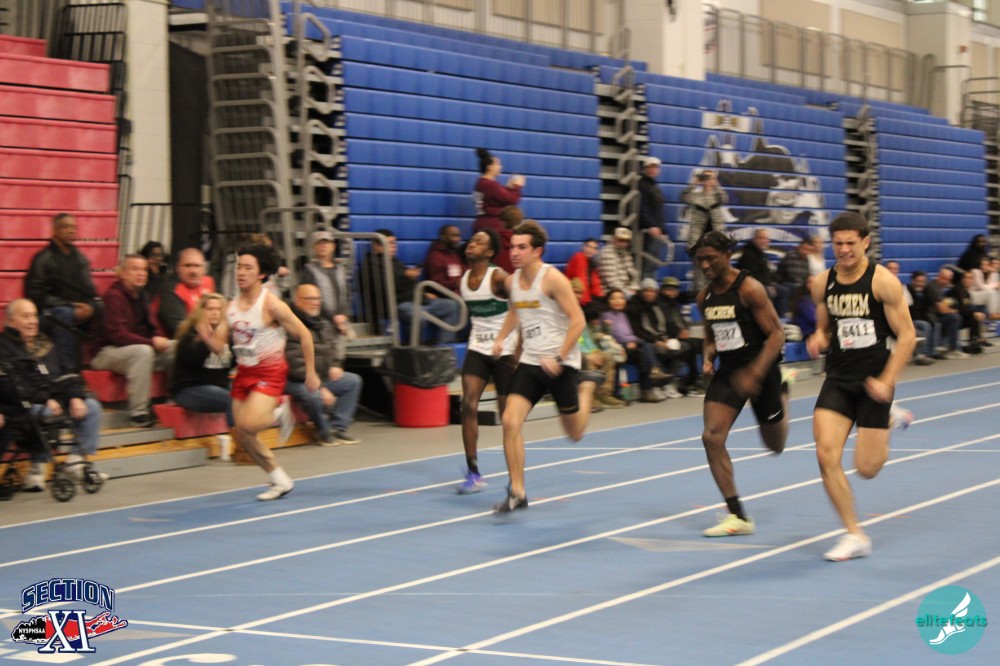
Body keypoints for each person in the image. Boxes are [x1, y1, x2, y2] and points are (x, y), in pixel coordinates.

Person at [806, 212, 916, 562]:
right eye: (838, 243)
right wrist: (818, 337)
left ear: (865, 242)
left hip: (873, 383)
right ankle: (854, 534)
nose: (844, 250)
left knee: (867, 469)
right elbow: (825, 327)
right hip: (838, 379)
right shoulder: (821, 283)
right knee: (825, 455)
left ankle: (888, 419)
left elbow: (908, 336)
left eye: (851, 243)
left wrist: (887, 380)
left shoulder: (883, 282)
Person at [489, 220, 602, 513]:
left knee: (575, 434)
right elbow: (515, 311)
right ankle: (517, 491)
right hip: (531, 362)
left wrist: (560, 357)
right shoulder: (513, 282)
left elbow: (578, 321)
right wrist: (501, 339)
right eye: (512, 247)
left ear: (537, 251)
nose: (514, 252)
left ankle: (588, 386)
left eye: (521, 247)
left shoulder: (553, 279)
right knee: (510, 421)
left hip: (561, 364)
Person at [694, 231, 790, 537]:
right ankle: (737, 516)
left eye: (711, 259)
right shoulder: (704, 297)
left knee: (775, 445)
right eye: (700, 260)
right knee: (711, 437)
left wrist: (755, 374)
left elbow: (777, 335)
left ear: (727, 255)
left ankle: (783, 393)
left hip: (761, 368)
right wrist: (708, 354)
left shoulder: (750, 288)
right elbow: (710, 334)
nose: (705, 265)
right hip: (729, 372)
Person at [213, 243, 319, 501]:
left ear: (261, 273)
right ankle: (279, 479)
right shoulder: (230, 306)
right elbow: (218, 346)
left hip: (269, 372)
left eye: (248, 268)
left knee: (249, 423)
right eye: (239, 267)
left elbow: (304, 334)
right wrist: (205, 332)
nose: (241, 272)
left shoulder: (272, 305)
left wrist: (311, 372)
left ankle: (279, 411)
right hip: (244, 372)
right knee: (242, 433)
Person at [0, 299, 107, 491]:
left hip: (51, 400)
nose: (32, 321)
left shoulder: (46, 344)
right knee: (43, 413)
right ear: (10, 321)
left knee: (92, 407)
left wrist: (74, 396)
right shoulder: (4, 348)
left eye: (34, 316)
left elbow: (64, 375)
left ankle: (76, 462)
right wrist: (45, 399)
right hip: (21, 406)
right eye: (26, 316)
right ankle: (38, 465)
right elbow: (12, 386)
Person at [457, 229, 516, 494]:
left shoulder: (498, 276)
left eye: (479, 242)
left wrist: (514, 343)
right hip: (478, 347)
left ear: (490, 252)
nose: (472, 244)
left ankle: (515, 475)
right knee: (468, 404)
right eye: (471, 240)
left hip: (505, 350)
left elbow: (520, 304)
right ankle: (473, 473)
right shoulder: (464, 279)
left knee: (508, 416)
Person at [90, 255, 175, 428]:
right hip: (105, 352)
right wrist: (152, 343)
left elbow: (153, 328)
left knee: (175, 347)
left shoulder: (143, 296)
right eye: (135, 269)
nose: (141, 273)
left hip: (133, 349)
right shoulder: (113, 297)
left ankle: (175, 399)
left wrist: (159, 341)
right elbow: (118, 336)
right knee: (144, 352)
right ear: (122, 273)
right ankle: (138, 413)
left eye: (144, 269)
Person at [285, 284, 363, 447]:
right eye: (310, 299)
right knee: (313, 395)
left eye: (317, 298)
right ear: (297, 301)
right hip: (296, 380)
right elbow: (295, 365)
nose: (315, 303)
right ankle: (323, 431)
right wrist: (320, 387)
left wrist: (335, 365)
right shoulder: (290, 326)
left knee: (352, 381)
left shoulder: (324, 324)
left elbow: (333, 349)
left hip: (320, 377)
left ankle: (338, 428)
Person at [23, 213, 99, 373]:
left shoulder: (80, 259)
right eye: (66, 227)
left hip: (73, 311)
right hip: (46, 313)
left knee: (100, 306)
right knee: (64, 314)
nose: (71, 231)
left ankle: (99, 357)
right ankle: (68, 370)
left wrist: (89, 306)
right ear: (55, 230)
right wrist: (70, 305)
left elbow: (89, 289)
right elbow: (34, 295)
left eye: (74, 227)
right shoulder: (43, 258)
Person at [358, 229, 460, 344]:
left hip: (417, 300)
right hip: (398, 305)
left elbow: (409, 284)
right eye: (390, 243)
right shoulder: (370, 266)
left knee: (450, 305)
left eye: (394, 243)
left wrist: (424, 293)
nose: (394, 246)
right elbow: (381, 288)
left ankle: (444, 346)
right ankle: (415, 349)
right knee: (418, 318)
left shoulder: (395, 262)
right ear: (376, 246)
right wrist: (404, 276)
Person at [171, 293, 234, 427]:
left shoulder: (227, 336)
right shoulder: (191, 334)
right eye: (210, 309)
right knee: (232, 400)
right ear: (201, 311)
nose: (215, 313)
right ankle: (239, 439)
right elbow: (193, 360)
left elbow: (234, 363)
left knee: (247, 395)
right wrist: (207, 340)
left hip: (219, 387)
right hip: (189, 390)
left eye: (219, 309)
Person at [605, 288, 669, 402]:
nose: (618, 301)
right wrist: (631, 341)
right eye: (614, 298)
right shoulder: (606, 316)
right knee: (644, 346)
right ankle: (654, 372)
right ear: (608, 301)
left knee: (643, 354)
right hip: (615, 347)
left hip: (631, 346)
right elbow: (616, 335)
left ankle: (646, 390)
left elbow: (630, 332)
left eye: (621, 298)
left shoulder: (624, 315)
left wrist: (633, 341)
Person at [682, 170, 729, 290]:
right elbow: (683, 197)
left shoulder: (717, 196)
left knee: (716, 276)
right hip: (698, 243)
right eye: (705, 178)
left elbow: (725, 198)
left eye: (709, 178)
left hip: (716, 244)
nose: (707, 181)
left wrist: (716, 184)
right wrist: (694, 183)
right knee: (699, 279)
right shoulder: (696, 196)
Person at [299, 230, 352, 335]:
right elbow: (309, 298)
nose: (323, 246)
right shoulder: (309, 270)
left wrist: (344, 315)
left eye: (326, 243)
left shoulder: (341, 269)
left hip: (342, 323)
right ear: (313, 247)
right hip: (320, 325)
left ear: (333, 246)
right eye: (319, 243)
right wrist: (333, 318)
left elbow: (347, 294)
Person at [159, 248, 217, 337]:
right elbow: (180, 329)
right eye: (187, 266)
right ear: (178, 268)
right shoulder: (171, 290)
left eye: (197, 266)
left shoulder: (209, 282)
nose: (193, 271)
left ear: (204, 269)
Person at [472, 148, 524, 236]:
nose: (500, 167)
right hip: (493, 227)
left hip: (481, 223)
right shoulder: (490, 185)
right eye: (497, 164)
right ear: (489, 167)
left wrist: (508, 188)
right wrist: (517, 186)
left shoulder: (480, 183)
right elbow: (512, 200)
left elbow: (495, 199)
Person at [638, 156, 668, 278]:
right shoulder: (642, 185)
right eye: (650, 167)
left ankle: (650, 285)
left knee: (653, 264)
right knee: (648, 265)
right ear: (645, 169)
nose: (653, 169)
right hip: (649, 232)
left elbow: (658, 211)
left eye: (655, 167)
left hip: (656, 231)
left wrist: (663, 230)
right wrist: (651, 225)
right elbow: (641, 208)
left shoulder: (654, 186)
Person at [926, 267, 965, 359]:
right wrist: (952, 310)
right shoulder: (932, 287)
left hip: (936, 315)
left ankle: (949, 345)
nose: (946, 282)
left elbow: (944, 305)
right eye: (945, 279)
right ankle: (953, 348)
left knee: (956, 316)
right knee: (954, 318)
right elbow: (942, 310)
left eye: (949, 280)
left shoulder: (938, 288)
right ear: (939, 276)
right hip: (930, 316)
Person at [949, 270, 987, 353]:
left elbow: (968, 307)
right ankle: (956, 346)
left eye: (970, 278)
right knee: (973, 317)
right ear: (961, 279)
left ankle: (975, 341)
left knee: (975, 317)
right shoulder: (956, 290)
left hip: (962, 316)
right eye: (966, 278)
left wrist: (975, 313)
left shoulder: (966, 292)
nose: (968, 280)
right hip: (953, 318)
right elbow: (959, 309)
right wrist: (974, 313)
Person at [773, 237, 813, 317]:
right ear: (800, 247)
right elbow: (789, 274)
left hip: (800, 284)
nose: (806, 252)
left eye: (808, 250)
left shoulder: (806, 260)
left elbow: (806, 275)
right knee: (795, 288)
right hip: (787, 282)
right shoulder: (790, 255)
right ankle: (785, 315)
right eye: (805, 249)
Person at [906, 271, 940, 365]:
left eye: (922, 281)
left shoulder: (925, 291)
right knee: (924, 325)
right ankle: (921, 355)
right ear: (913, 281)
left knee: (935, 323)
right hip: (910, 320)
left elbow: (927, 308)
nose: (920, 284)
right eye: (918, 281)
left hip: (921, 318)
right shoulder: (907, 290)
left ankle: (932, 352)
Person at [598, 227, 640, 298]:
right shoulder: (606, 253)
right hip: (610, 292)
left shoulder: (626, 253)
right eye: (621, 240)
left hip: (627, 290)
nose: (624, 243)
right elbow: (611, 281)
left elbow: (634, 275)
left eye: (626, 241)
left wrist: (633, 287)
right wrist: (627, 292)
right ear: (613, 239)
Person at [735, 228, 776, 301]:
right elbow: (751, 275)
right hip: (750, 285)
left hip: (762, 283)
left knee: (785, 289)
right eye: (762, 238)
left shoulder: (761, 254)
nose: (765, 241)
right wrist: (767, 284)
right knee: (776, 291)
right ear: (755, 239)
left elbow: (765, 272)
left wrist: (771, 283)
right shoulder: (749, 254)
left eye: (767, 239)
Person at [422, 224, 465, 294]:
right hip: (445, 296)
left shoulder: (456, 255)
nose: (458, 239)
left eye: (459, 236)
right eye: (454, 236)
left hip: (460, 294)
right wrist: (457, 283)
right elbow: (437, 285)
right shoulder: (435, 257)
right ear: (443, 237)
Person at [563, 238, 604, 306]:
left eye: (594, 248)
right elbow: (581, 281)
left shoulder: (591, 262)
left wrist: (600, 296)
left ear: (596, 251)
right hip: (577, 297)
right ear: (583, 247)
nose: (590, 250)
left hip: (588, 296)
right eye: (589, 246)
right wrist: (587, 302)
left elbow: (595, 283)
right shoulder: (579, 257)